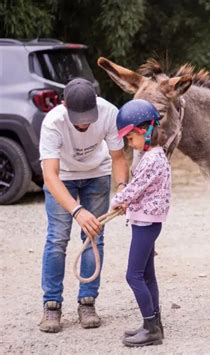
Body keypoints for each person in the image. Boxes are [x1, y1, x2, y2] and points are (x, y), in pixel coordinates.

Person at [39, 78, 129, 333]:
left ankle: (87, 302)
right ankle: (52, 304)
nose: (84, 123)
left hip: (97, 174)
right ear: (64, 105)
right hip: (62, 178)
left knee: (93, 238)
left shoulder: (109, 112)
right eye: (78, 117)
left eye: (89, 116)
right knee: (57, 239)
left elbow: (119, 157)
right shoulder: (53, 122)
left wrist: (122, 189)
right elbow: (50, 176)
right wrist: (77, 211)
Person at [110, 99, 171, 347]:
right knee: (147, 275)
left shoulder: (152, 159)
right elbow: (141, 190)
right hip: (146, 221)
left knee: (133, 275)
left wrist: (117, 200)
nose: (128, 144)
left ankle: (151, 328)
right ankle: (153, 323)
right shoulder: (154, 155)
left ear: (143, 132)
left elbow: (134, 188)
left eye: (130, 139)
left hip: (146, 223)